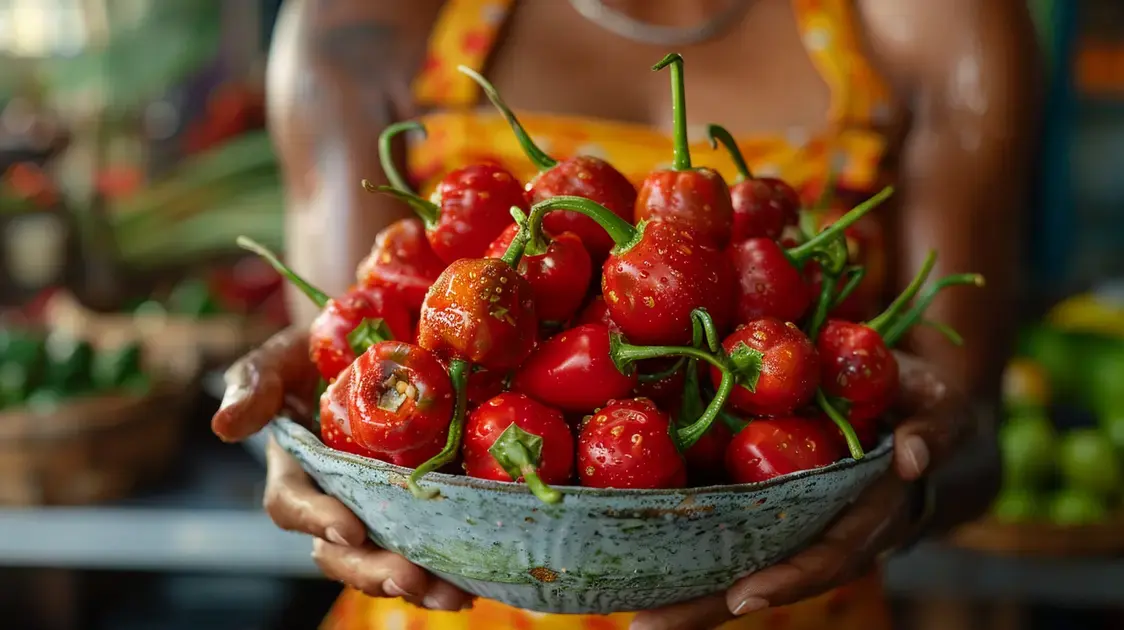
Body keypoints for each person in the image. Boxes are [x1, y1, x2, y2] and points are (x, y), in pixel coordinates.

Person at [212, 1, 1042, 628]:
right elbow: (349, 390)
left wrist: (912, 488)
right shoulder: (362, 21)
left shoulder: (937, 20)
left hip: (789, 610)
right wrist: (297, 443)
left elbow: (969, 442)